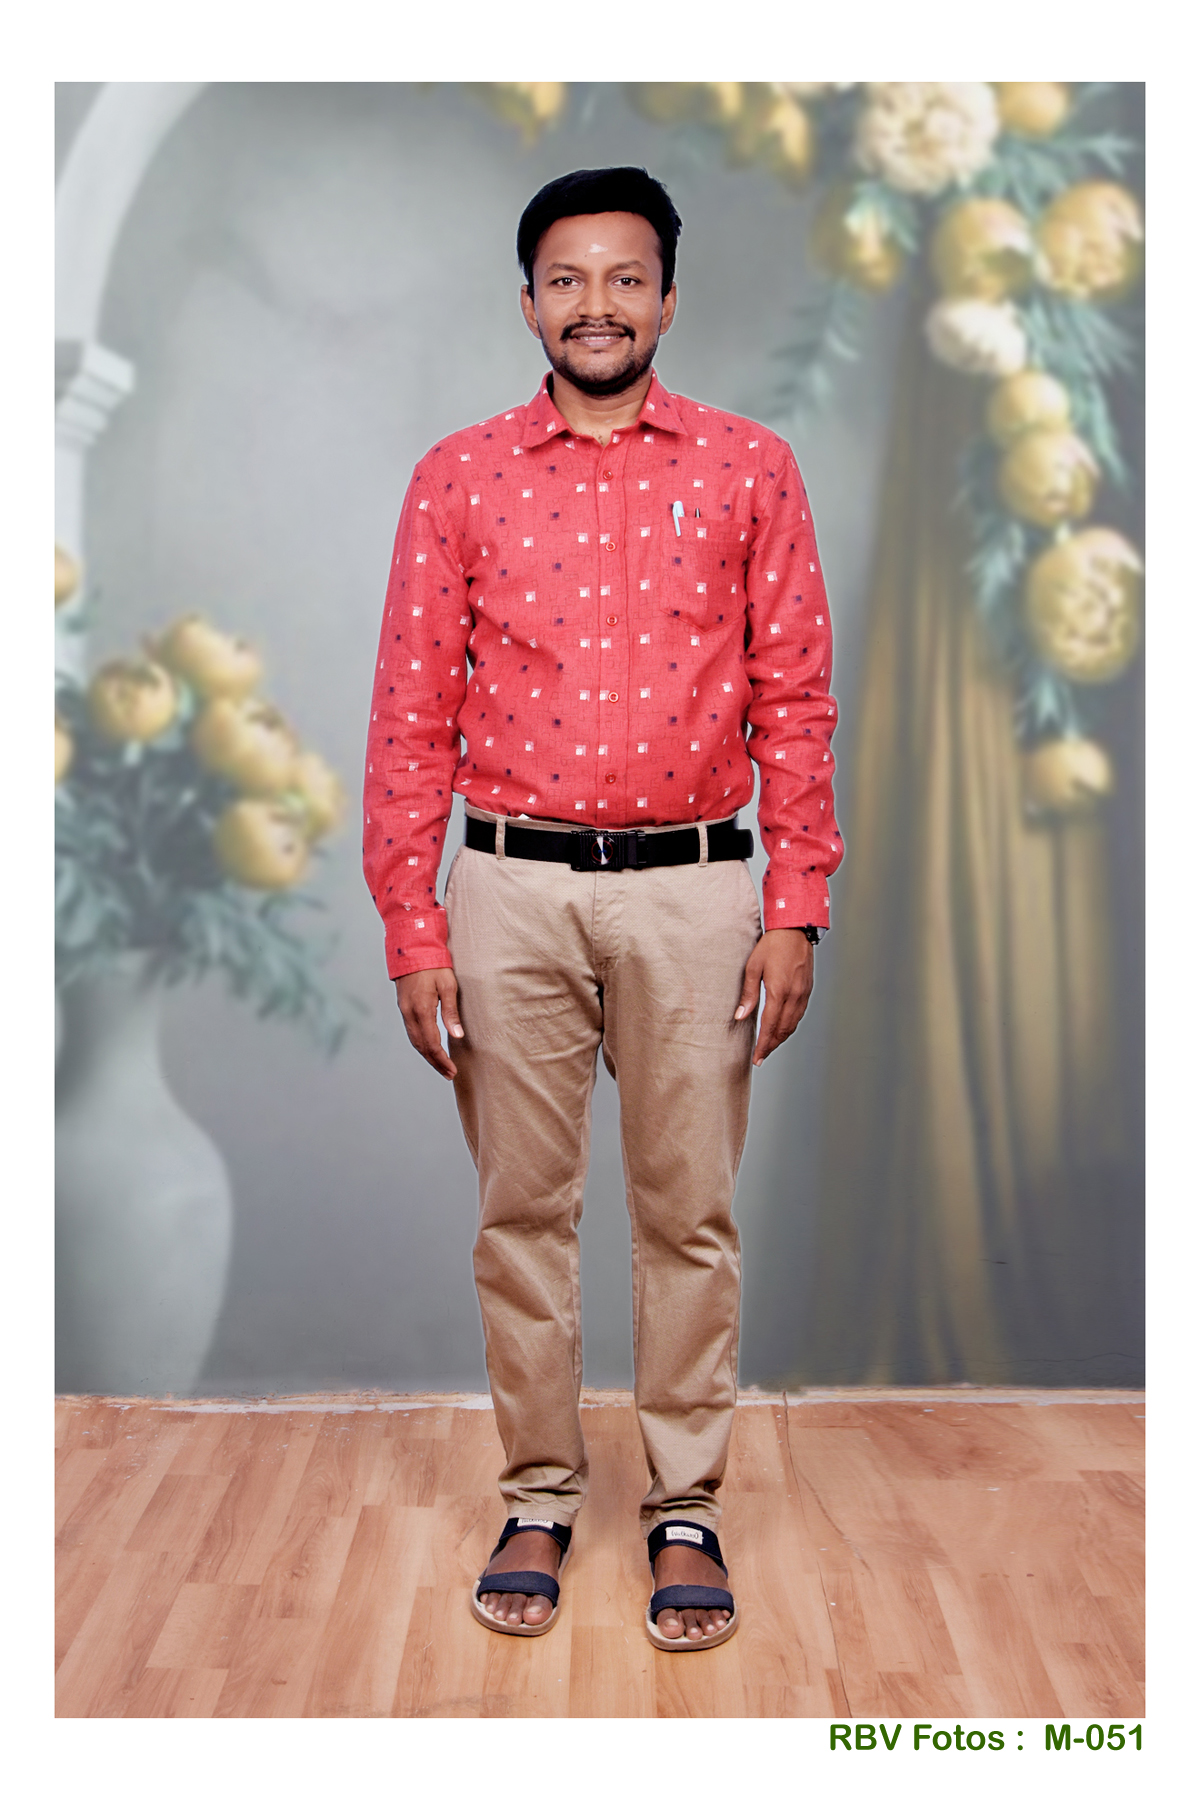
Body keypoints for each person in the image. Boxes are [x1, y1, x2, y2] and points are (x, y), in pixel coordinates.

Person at [363, 165, 842, 1650]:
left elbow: (796, 698)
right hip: (508, 892)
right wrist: (414, 923)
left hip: (699, 893)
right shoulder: (457, 478)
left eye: (626, 278)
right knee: (523, 1214)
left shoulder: (752, 467)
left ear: (669, 300)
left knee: (688, 1214)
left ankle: (686, 1505)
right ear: (528, 304)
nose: (597, 305)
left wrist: (795, 902)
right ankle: (538, 1493)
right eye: (567, 280)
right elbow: (407, 718)